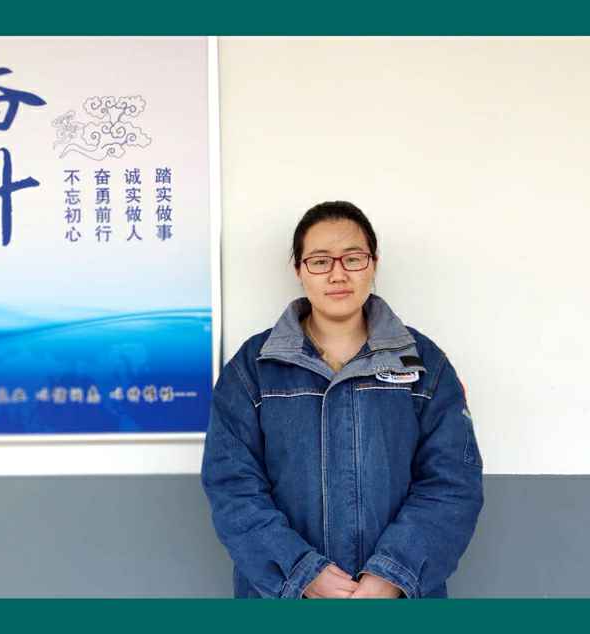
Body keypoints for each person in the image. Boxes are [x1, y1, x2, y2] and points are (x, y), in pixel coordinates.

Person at [201, 201, 484, 598]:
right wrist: (300, 573)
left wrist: (394, 575)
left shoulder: (422, 363)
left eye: (353, 258)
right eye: (319, 261)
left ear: (373, 264)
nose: (337, 274)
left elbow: (452, 481)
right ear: (298, 270)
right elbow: (233, 486)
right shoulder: (254, 368)